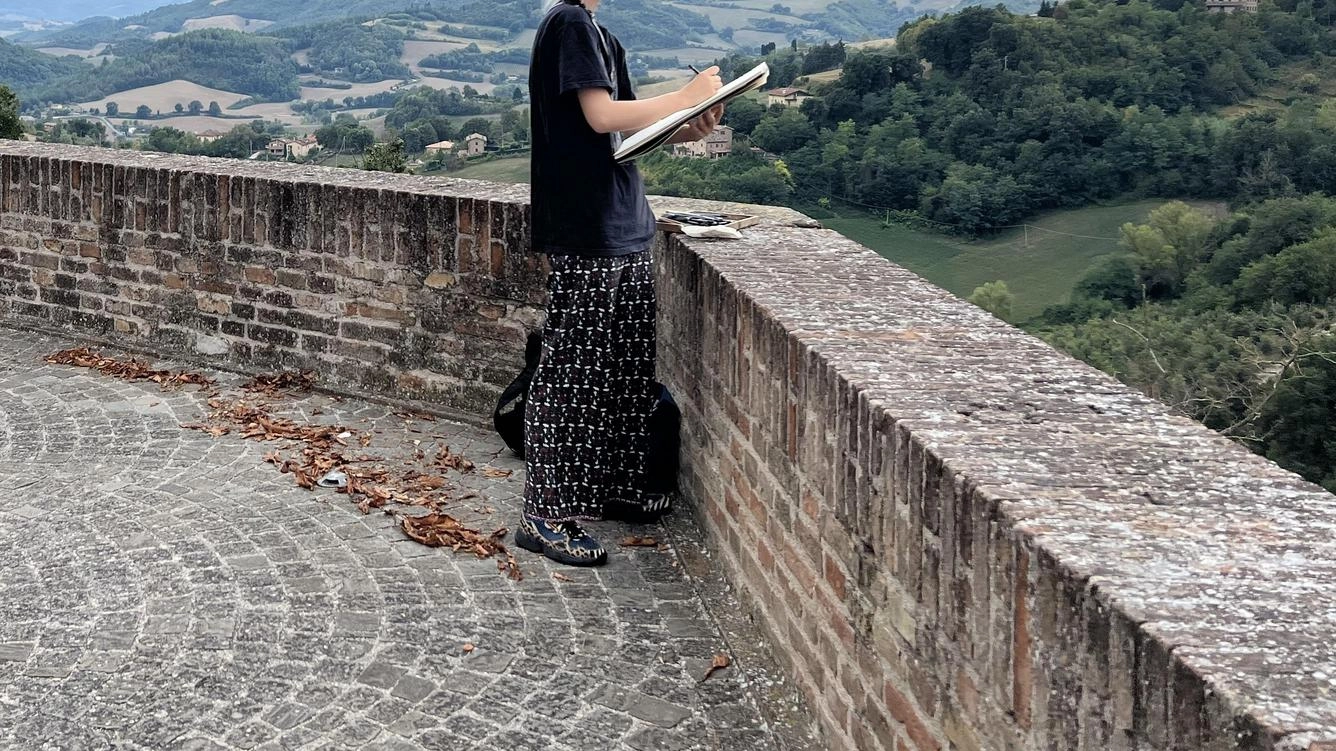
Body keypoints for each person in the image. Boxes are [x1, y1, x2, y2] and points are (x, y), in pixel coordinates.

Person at [515, 0, 725, 566]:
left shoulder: (598, 31)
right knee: (572, 374)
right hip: (588, 227)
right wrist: (685, 95)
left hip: (625, 222)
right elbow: (601, 117)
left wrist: (687, 125)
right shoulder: (570, 23)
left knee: (625, 371)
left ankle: (616, 487)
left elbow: (623, 137)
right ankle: (545, 515)